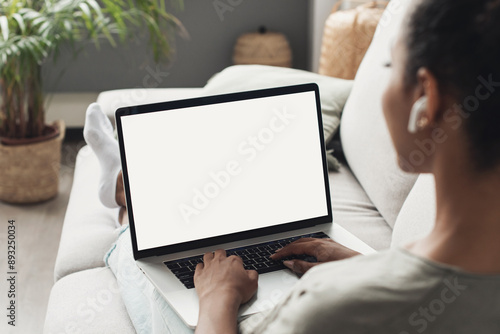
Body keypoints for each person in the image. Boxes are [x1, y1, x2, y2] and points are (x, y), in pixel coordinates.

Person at [83, 0, 500, 332]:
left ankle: (123, 201)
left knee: (149, 268)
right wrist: (364, 264)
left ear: (427, 103)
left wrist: (218, 299)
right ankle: (124, 189)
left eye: (390, 67)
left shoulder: (327, 305)